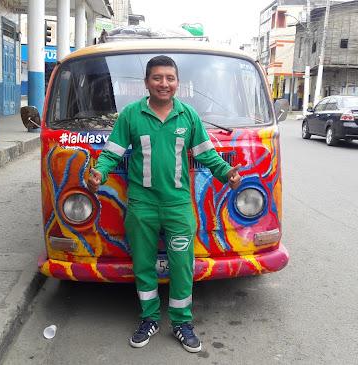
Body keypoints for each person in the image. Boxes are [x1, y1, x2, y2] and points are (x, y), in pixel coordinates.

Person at [87, 55, 242, 353]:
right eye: (157, 78)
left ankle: (182, 323)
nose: (164, 83)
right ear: (146, 83)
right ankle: (149, 318)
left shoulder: (188, 116)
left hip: (178, 206)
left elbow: (208, 156)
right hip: (141, 205)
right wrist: (99, 174)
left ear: (178, 84)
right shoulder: (131, 115)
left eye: (170, 78)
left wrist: (227, 174)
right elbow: (111, 155)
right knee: (143, 265)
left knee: (182, 265)